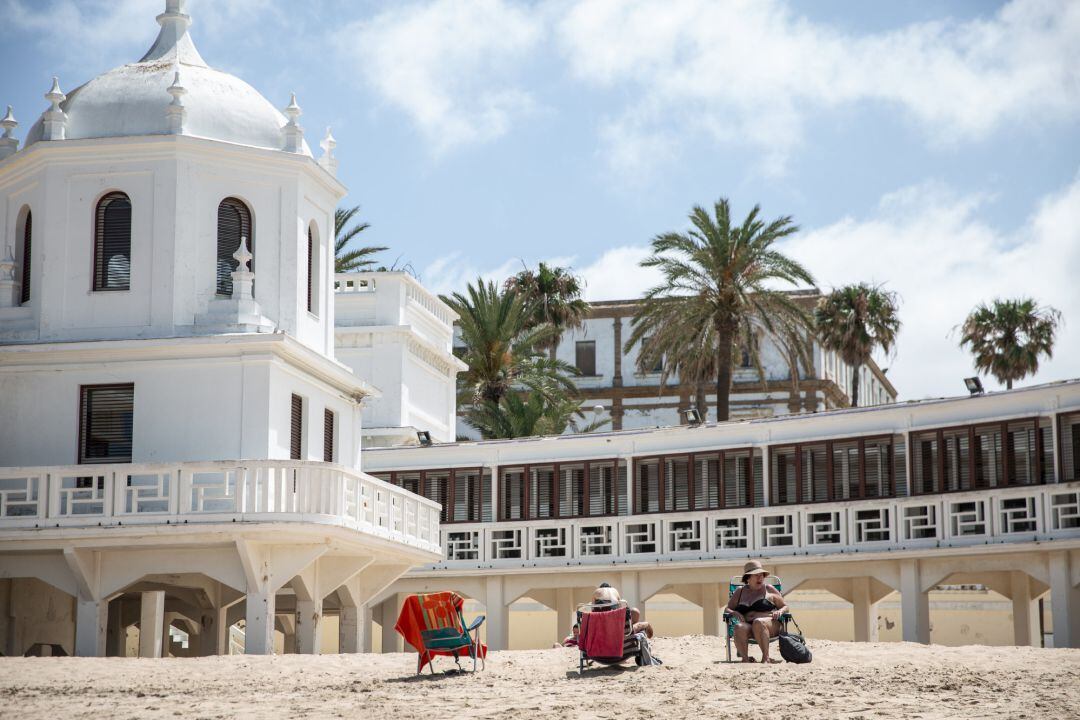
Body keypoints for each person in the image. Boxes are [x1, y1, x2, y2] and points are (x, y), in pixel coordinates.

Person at [727, 560, 787, 663]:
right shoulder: (739, 591)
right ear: (748, 578)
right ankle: (745, 659)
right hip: (749, 626)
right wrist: (735, 613)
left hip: (770, 625)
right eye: (756, 575)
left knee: (758, 622)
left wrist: (780, 612)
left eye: (762, 575)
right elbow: (728, 608)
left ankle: (766, 658)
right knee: (739, 626)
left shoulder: (769, 589)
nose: (760, 578)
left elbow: (785, 606)